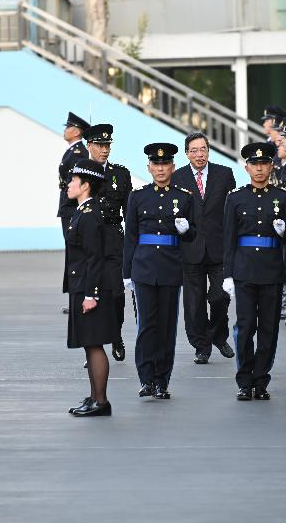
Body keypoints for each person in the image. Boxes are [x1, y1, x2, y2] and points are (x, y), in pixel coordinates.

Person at [223, 142, 286, 400]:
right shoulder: (235, 198)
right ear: (246, 167)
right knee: (245, 327)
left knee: (268, 329)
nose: (259, 169)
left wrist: (283, 231)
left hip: (271, 271)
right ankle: (244, 380)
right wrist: (227, 274)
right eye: (254, 165)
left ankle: (261, 380)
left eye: (264, 164)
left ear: (271, 166)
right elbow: (229, 239)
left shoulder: (283, 197)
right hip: (244, 271)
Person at [123, 143, 196, 399]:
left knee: (166, 327)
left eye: (165, 164)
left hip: (169, 268)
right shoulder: (137, 196)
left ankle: (162, 380)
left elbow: (193, 235)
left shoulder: (185, 197)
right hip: (143, 267)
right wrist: (126, 272)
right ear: (149, 167)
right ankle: (146, 379)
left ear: (173, 167)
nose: (161, 168)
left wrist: (185, 230)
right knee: (146, 326)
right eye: (156, 164)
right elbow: (130, 236)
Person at [171, 132, 236, 364]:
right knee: (194, 302)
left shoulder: (224, 174)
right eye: (194, 150)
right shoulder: (177, 177)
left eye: (203, 149)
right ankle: (201, 346)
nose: (200, 154)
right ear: (187, 153)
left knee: (220, 296)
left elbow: (232, 212)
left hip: (219, 247)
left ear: (209, 150)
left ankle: (218, 335)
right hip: (190, 247)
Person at [64, 158, 118, 417]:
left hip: (89, 288)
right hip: (82, 285)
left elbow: (94, 257)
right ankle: (95, 395)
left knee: (95, 344)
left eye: (74, 180)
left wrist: (90, 295)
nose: (69, 184)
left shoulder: (89, 215)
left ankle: (101, 401)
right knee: (90, 344)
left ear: (85, 185)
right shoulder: (82, 210)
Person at [84, 123, 132, 362]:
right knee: (90, 293)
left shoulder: (120, 174)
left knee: (115, 293)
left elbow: (129, 210)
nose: (104, 150)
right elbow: (68, 208)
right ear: (89, 146)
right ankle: (93, 345)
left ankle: (115, 334)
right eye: (100, 145)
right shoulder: (78, 171)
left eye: (107, 145)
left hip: (113, 237)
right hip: (88, 240)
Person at [57, 111, 90, 314]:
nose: (65, 130)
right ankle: (75, 298)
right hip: (67, 206)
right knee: (73, 254)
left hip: (71, 207)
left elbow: (75, 182)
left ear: (76, 131)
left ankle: (79, 298)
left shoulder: (78, 153)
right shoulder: (72, 151)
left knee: (76, 254)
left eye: (67, 127)